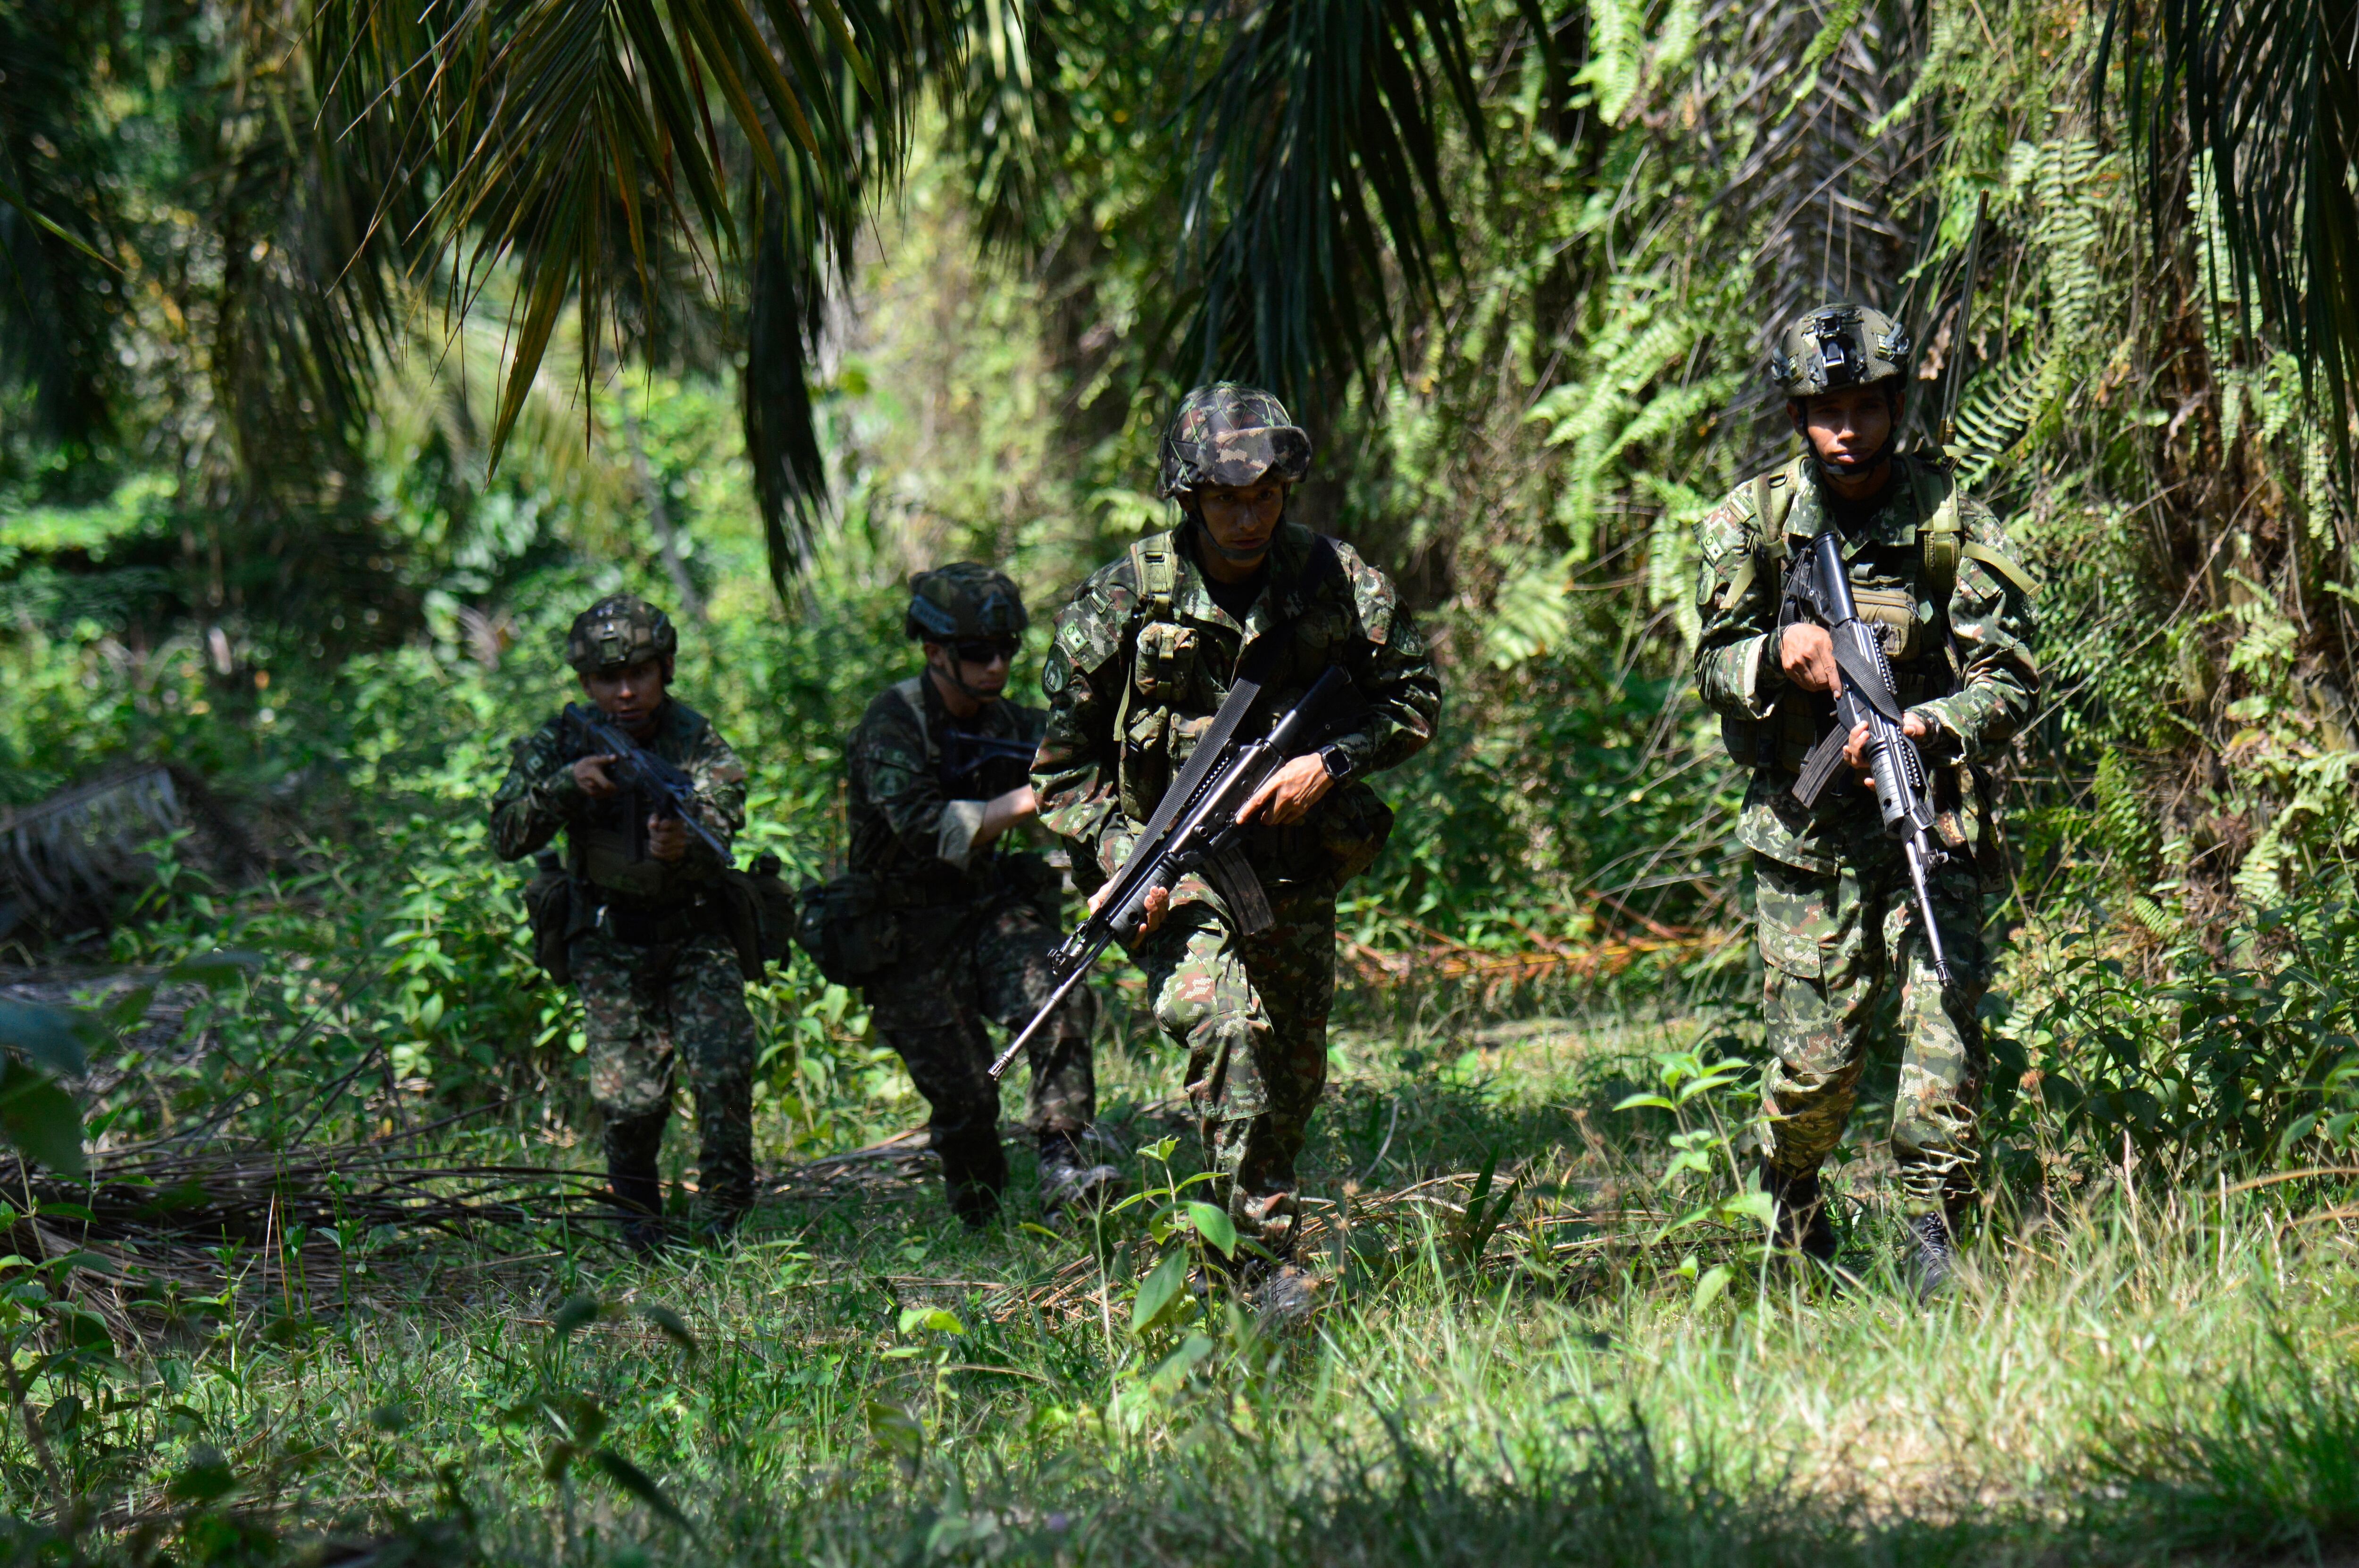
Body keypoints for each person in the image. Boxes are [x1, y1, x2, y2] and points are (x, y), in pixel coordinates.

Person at [1033, 384, 1441, 1304]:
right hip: (1172, 866)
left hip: (1293, 871)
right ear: (1187, 498)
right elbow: (1059, 772)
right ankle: (1263, 1270)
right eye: (1226, 498)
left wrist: (1330, 764)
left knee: (1291, 1075)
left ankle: (1224, 1248)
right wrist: (1119, 863)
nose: (1249, 515)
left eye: (1264, 495)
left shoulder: (1334, 581)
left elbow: (1415, 698)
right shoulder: (1122, 602)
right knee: (1224, 1031)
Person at [1692, 303, 2040, 1293]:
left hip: (1929, 818)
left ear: (1895, 404)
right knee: (1815, 1072)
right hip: (1808, 842)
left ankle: (1933, 1242)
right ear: (1798, 416)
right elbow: (1712, 664)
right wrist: (1778, 653)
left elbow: (2011, 678)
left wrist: (1929, 726)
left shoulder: (1951, 521)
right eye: (1824, 409)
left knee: (1945, 1036)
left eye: (1865, 406)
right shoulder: (1749, 523)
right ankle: (1789, 1200)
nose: (1847, 428)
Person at [845, 564, 1113, 1226]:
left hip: (989, 912)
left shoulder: (1018, 723)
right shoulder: (893, 723)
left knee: (1058, 987)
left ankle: (1064, 1160)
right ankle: (981, 1215)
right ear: (935, 652)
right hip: (906, 930)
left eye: (1006, 651)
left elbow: (1086, 777)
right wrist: (1032, 796)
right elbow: (922, 826)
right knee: (965, 1101)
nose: (996, 666)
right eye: (976, 654)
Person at [489, 594, 758, 1248]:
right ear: (586, 683)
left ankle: (727, 1223)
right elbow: (505, 833)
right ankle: (639, 1225)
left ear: (666, 669)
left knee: (724, 1072)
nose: (628, 691)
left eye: (641, 673)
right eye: (609, 679)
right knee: (631, 1103)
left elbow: (723, 813)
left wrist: (684, 846)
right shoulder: (560, 742)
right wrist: (564, 786)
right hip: (609, 940)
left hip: (694, 932)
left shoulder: (695, 739)